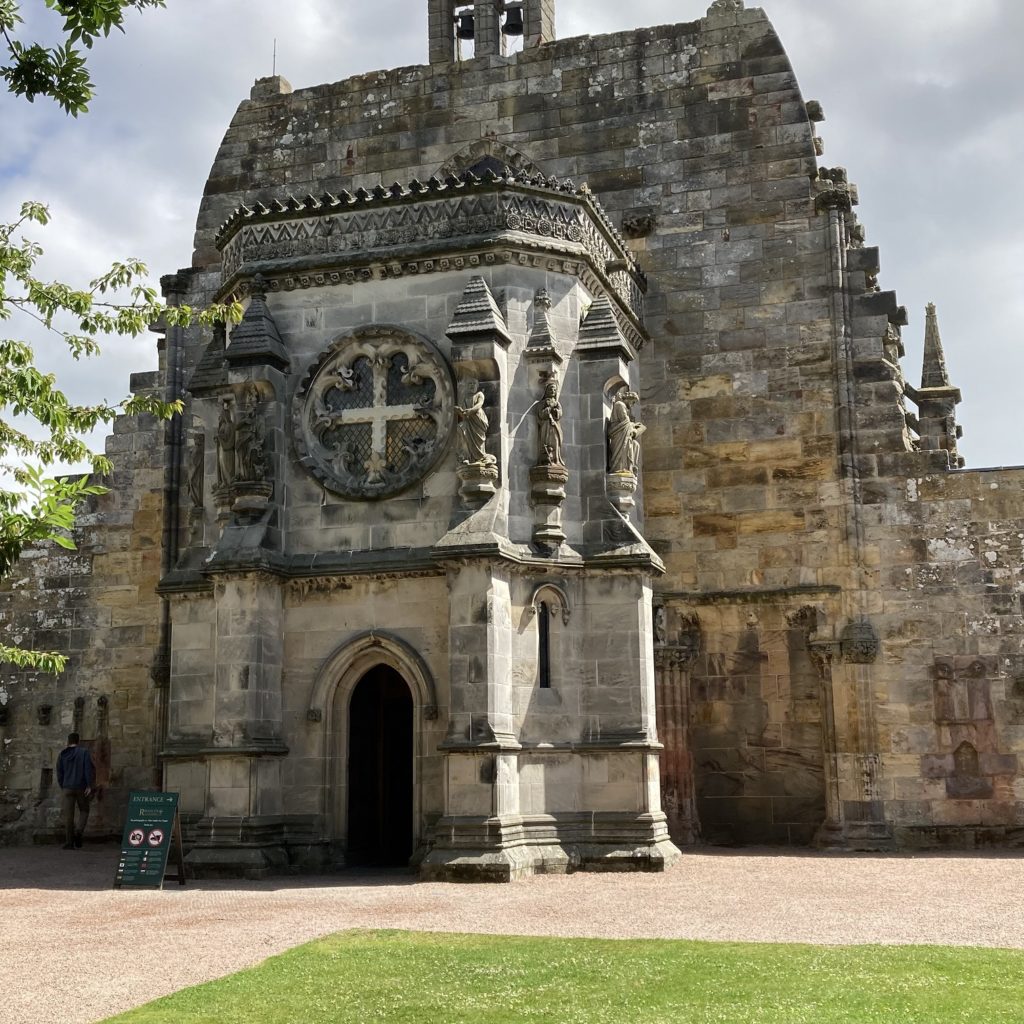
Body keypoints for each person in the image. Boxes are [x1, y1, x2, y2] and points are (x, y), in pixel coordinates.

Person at [56, 732, 94, 849]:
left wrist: (63, 785)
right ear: (78, 741)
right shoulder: (84, 753)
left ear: (68, 741)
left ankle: (69, 843)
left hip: (67, 787)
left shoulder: (62, 754)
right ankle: (79, 831)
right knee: (84, 810)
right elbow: (88, 769)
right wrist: (89, 785)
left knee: (69, 816)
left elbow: (59, 772)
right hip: (81, 787)